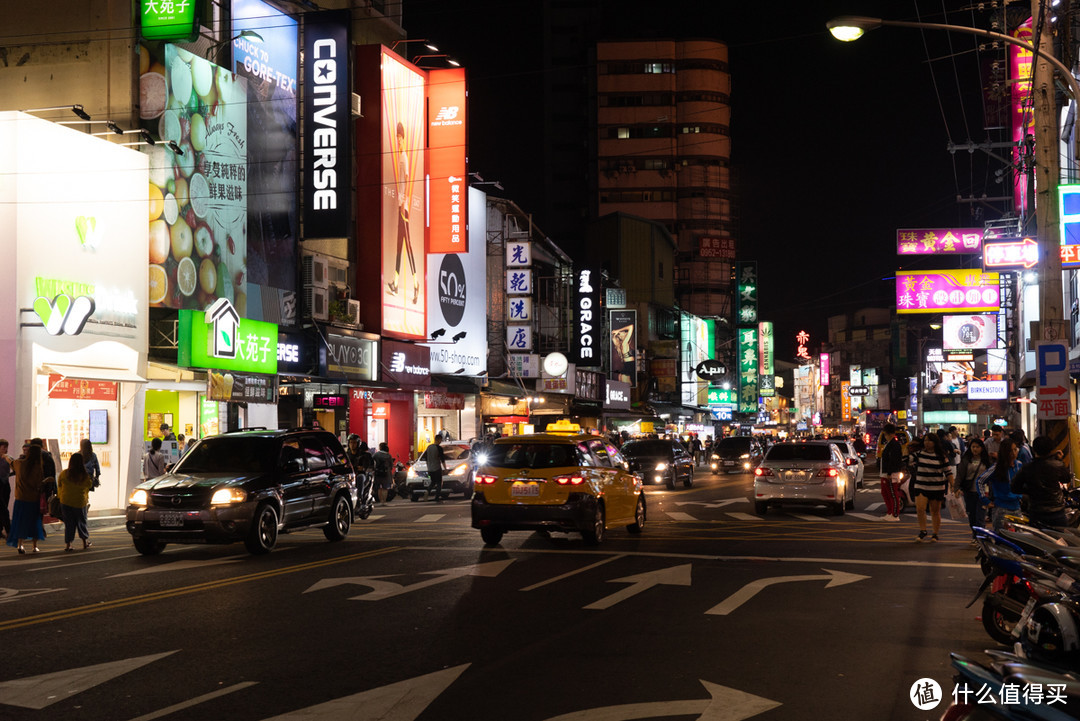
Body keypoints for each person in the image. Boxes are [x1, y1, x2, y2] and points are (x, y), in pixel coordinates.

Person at [386, 121, 420, 304]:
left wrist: (403, 203)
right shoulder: (401, 155)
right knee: (400, 245)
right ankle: (396, 283)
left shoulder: (404, 157)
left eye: (400, 138)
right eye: (396, 138)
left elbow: (407, 179)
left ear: (403, 138)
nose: (398, 141)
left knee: (407, 246)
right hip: (402, 204)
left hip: (403, 206)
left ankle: (416, 284)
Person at [1010, 435, 1070, 528]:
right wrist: (1059, 460)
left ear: (1034, 450)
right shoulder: (1057, 465)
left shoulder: (1027, 468)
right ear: (1051, 450)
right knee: (1061, 540)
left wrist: (1031, 490)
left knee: (1038, 540)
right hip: (1057, 510)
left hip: (1037, 512)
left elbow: (1014, 488)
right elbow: (1066, 479)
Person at [910, 432, 955, 542]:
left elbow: (948, 472)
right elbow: (906, 458)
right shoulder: (918, 454)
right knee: (920, 508)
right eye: (925, 440)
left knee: (935, 511)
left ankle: (935, 534)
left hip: (936, 487)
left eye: (929, 440)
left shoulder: (941, 456)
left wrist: (953, 485)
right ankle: (923, 531)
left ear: (935, 443)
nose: (927, 443)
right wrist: (909, 446)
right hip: (921, 485)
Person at [977, 437, 1024, 532]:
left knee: (1019, 538)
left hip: (1017, 507)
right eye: (1010, 451)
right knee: (1002, 538)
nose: (1014, 453)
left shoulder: (1019, 465)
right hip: (1001, 509)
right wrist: (984, 500)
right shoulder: (996, 468)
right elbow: (980, 481)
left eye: (1015, 449)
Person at [7, 443, 45, 553]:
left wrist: (5, 456)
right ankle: (34, 546)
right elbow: (39, 484)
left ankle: (20, 545)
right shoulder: (38, 467)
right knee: (34, 522)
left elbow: (11, 462)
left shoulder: (20, 464)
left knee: (20, 522)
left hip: (21, 498)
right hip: (34, 499)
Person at [954, 437, 990, 538]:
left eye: (977, 447)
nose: (975, 449)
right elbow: (960, 475)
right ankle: (975, 535)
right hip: (969, 492)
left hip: (983, 493)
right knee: (972, 516)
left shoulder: (987, 461)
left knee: (980, 517)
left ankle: (980, 537)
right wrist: (956, 488)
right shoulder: (966, 460)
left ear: (982, 448)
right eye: (973, 447)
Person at [57, 452, 93, 551]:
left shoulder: (64, 473)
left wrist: (60, 496)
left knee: (69, 524)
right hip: (79, 502)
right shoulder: (84, 475)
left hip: (65, 501)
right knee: (81, 522)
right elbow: (89, 485)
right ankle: (84, 542)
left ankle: (68, 545)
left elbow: (59, 484)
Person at [878, 423, 905, 522]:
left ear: (891, 434)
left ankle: (895, 514)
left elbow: (894, 460)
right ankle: (890, 512)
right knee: (885, 492)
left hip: (891, 473)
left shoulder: (894, 445)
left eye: (886, 434)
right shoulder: (889, 444)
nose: (885, 436)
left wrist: (889, 473)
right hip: (886, 473)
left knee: (892, 494)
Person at [422, 437, 448, 502]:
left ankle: (427, 491)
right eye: (440, 440)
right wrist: (445, 468)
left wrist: (428, 468)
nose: (441, 441)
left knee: (433, 482)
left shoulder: (429, 447)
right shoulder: (439, 448)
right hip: (437, 468)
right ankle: (437, 498)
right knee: (439, 483)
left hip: (430, 469)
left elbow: (425, 458)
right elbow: (442, 459)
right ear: (438, 440)